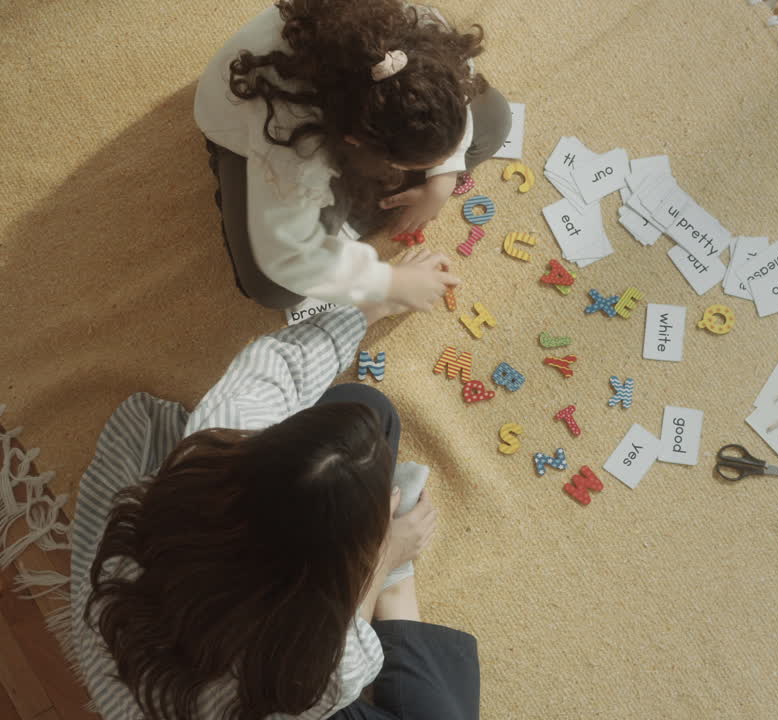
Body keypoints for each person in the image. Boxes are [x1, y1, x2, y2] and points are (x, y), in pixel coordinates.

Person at [69, 289, 479, 719]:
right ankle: (394, 584)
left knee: (370, 414)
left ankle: (382, 553)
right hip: (237, 706)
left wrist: (374, 303)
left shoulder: (212, 441)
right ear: (332, 580)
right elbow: (345, 657)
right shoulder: (319, 667)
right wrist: (385, 560)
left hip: (133, 651)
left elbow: (281, 362)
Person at [195, 0, 511, 309]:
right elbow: (284, 256)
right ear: (354, 143)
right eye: (406, 165)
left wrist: (445, 175)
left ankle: (346, 217)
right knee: (274, 290)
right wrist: (390, 282)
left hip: (350, 118)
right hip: (244, 132)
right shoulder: (295, 147)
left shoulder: (422, 38)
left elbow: (459, 81)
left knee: (495, 116)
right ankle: (271, 200)